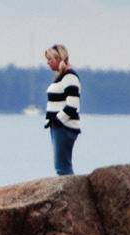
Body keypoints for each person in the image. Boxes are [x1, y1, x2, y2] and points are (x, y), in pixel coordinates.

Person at [43, 44, 81, 175]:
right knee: (61, 165)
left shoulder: (70, 77)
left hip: (64, 127)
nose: (47, 63)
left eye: (50, 59)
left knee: (62, 166)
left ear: (58, 58)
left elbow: (73, 105)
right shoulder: (62, 76)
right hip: (59, 127)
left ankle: (70, 193)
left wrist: (57, 120)